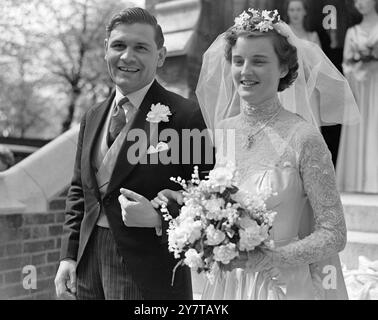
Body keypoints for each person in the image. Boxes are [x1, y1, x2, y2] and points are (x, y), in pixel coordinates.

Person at [153, 9, 359, 299]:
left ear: (284, 69)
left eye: (259, 61)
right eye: (238, 61)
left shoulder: (304, 138)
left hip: (281, 285)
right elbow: (214, 203)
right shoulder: (220, 132)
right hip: (226, 286)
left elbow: (334, 233)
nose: (245, 71)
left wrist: (272, 257)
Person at [54, 7, 213, 300]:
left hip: (148, 271)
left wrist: (158, 218)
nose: (127, 56)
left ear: (161, 56)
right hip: (88, 264)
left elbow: (208, 200)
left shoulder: (187, 116)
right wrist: (68, 256)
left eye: (140, 47)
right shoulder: (93, 116)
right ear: (106, 50)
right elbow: (79, 191)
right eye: (119, 45)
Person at [336, 0, 378, 193]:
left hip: (376, 86)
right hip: (359, 89)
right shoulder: (352, 32)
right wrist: (357, 67)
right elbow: (345, 64)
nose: (359, 3)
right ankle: (353, 181)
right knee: (358, 126)